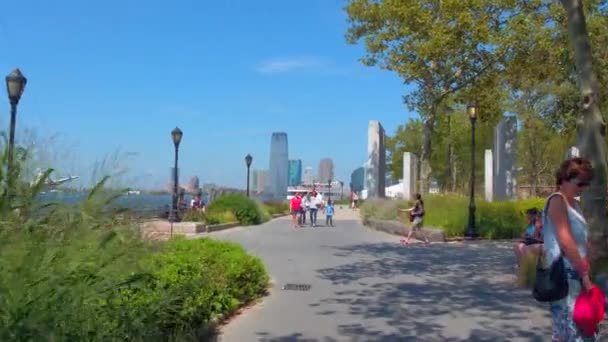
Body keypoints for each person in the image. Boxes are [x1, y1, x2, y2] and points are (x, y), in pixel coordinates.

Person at [543, 157, 597, 341]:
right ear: (564, 179)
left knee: (572, 329)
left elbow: (580, 237)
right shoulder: (557, 201)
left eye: (586, 184)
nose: (583, 188)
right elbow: (565, 239)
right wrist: (583, 271)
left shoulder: (574, 204)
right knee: (569, 330)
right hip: (564, 274)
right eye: (580, 183)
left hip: (576, 272)